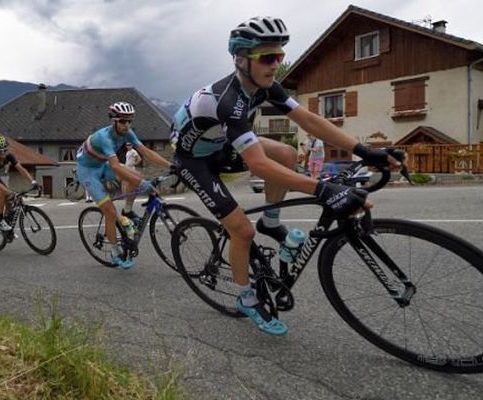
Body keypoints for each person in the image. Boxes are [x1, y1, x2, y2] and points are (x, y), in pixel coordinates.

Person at [170, 16, 401, 336]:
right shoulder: (227, 100)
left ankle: (272, 221)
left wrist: (365, 151)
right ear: (240, 59)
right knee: (242, 231)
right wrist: (323, 188)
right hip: (193, 160)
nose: (276, 64)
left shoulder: (265, 86)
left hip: (220, 146)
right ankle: (246, 299)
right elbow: (258, 164)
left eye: (279, 56)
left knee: (288, 153)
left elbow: (308, 120)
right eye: (267, 57)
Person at [76, 101, 172, 269]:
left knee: (135, 174)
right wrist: (143, 185)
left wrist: (172, 166)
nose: (127, 125)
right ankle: (114, 253)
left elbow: (146, 152)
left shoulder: (128, 133)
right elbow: (115, 166)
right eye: (122, 121)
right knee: (109, 211)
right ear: (114, 121)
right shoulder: (104, 137)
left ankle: (127, 210)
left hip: (101, 165)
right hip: (88, 171)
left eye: (129, 121)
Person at [0, 136, 39, 231]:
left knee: (9, 200)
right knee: (3, 193)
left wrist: (33, 182)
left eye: (5, 150)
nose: (3, 153)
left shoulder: (9, 156)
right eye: (0, 151)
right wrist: (11, 193)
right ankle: (0, 221)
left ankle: (6, 222)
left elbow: (21, 169)